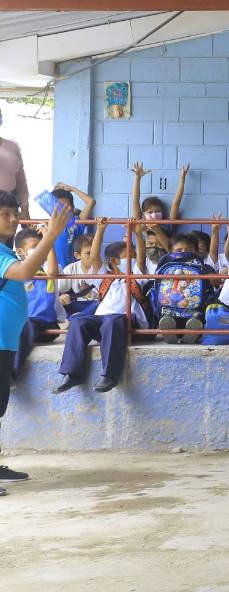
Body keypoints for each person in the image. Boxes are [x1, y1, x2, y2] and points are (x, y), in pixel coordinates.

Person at [0, 196, 71, 493]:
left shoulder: (4, 249)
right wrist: (52, 236)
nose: (13, 219)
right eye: (5, 214)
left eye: (15, 213)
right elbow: (25, 272)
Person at [54, 216, 148, 394]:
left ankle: (110, 375)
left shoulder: (137, 276)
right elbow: (95, 257)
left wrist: (137, 234)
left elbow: (142, 261)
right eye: (129, 256)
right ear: (114, 262)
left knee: (113, 320)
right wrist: (100, 229)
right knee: (78, 322)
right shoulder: (105, 278)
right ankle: (71, 373)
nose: (134, 259)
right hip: (102, 322)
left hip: (124, 322)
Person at [12, 228, 65, 377]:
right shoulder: (17, 270)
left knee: (26, 325)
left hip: (45, 325)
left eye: (43, 246)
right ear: (21, 252)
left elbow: (53, 272)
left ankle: (13, 371)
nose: (41, 250)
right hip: (21, 324)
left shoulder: (48, 267)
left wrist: (50, 239)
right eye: (35, 247)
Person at [48, 183, 94, 266]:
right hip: (53, 271)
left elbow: (91, 202)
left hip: (72, 273)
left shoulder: (74, 224)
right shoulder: (46, 227)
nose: (62, 210)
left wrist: (72, 188)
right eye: (58, 207)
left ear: (72, 208)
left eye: (65, 207)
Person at [0, 111, 29, 218]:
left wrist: (25, 208)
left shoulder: (12, 147)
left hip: (9, 206)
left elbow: (21, 181)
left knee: (7, 234)